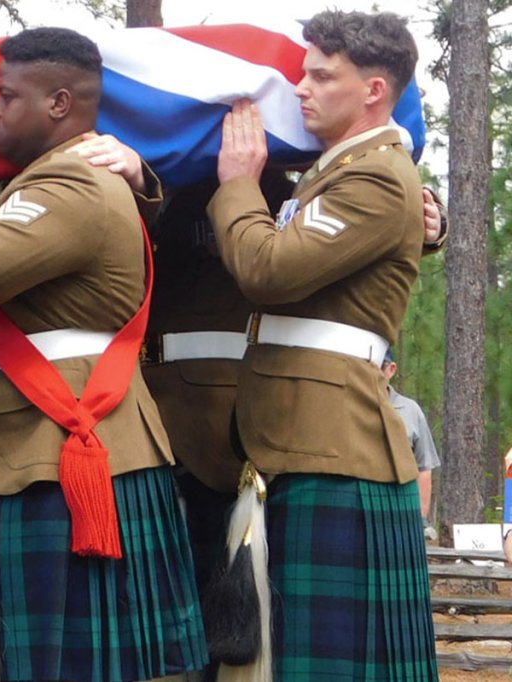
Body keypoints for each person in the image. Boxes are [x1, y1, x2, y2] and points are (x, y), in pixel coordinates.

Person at [0, 27, 206, 682]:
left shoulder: (64, 188)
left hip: (61, 459)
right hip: (37, 453)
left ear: (60, 104)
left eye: (7, 96)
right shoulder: (37, 186)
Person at [208, 9, 437, 680]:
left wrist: (235, 185)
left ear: (373, 89)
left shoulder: (374, 176)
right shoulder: (335, 173)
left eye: (319, 75)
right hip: (301, 439)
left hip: (334, 447)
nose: (299, 88)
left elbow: (267, 270)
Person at [381, 349, 441, 540]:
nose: (373, 374)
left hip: (403, 509)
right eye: (368, 367)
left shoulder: (411, 410)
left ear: (391, 369)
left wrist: (420, 518)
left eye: (379, 367)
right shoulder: (352, 407)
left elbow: (424, 468)